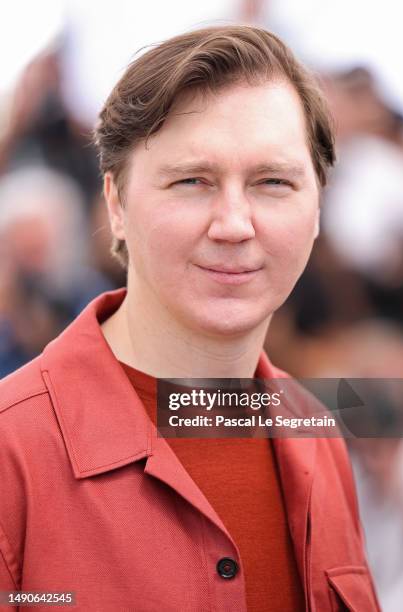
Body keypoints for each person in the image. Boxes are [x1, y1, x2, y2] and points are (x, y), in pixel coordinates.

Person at [0, 25, 380, 611]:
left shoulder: (320, 434)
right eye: (192, 182)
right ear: (116, 205)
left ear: (317, 210)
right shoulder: (12, 456)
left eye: (273, 182)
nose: (234, 224)